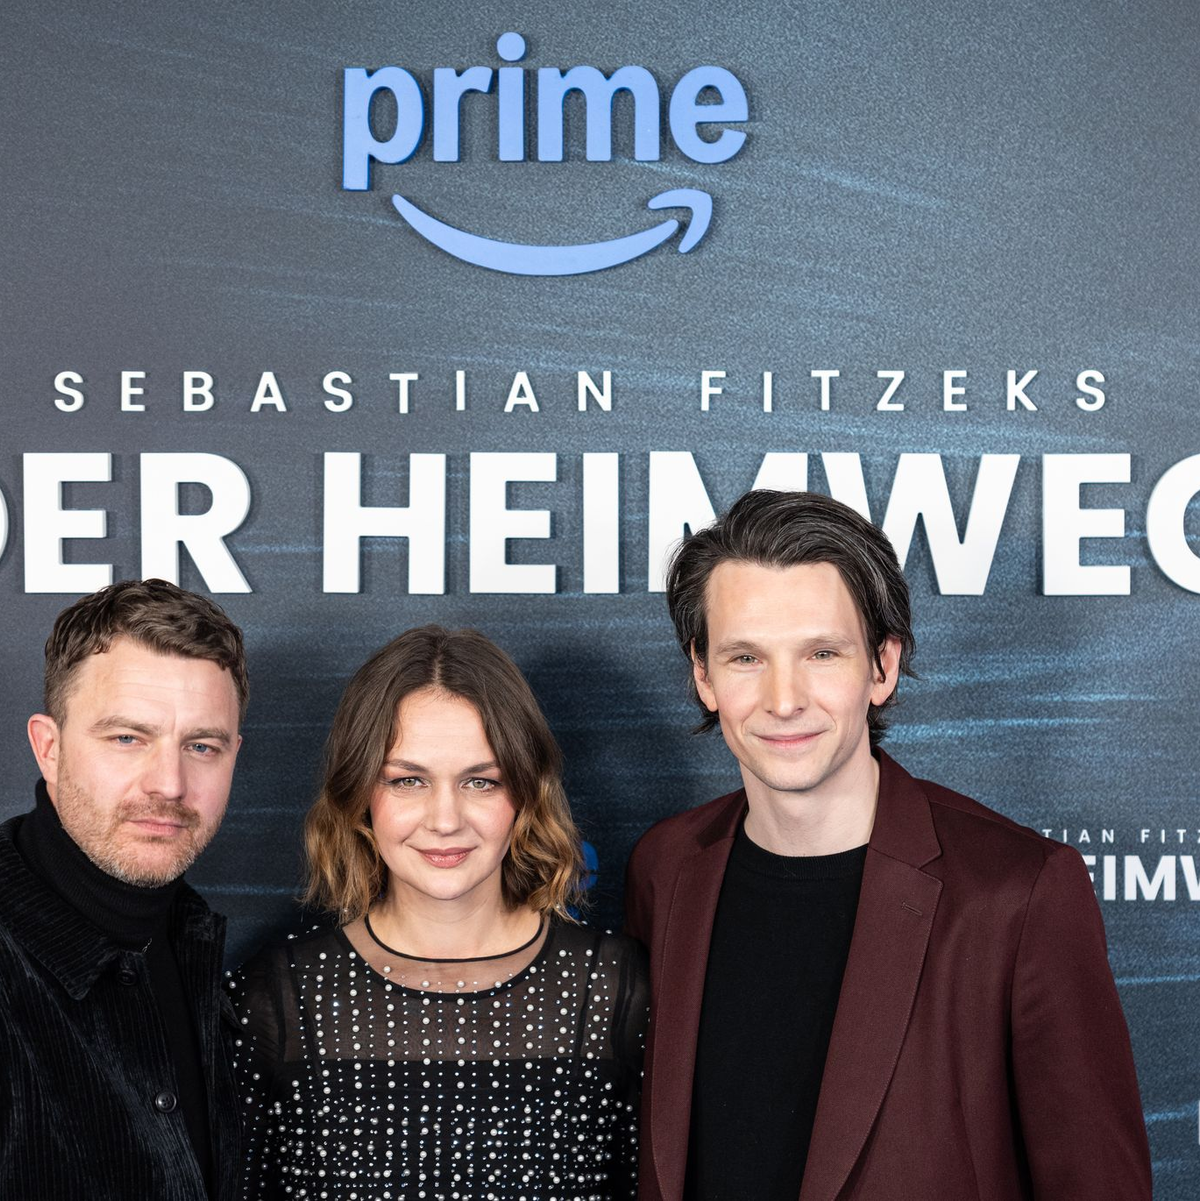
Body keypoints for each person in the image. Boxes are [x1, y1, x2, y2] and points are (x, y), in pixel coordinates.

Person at [624, 489, 1151, 1201]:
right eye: (746, 656)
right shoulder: (666, 868)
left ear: (882, 666)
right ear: (703, 675)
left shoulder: (1018, 892)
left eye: (821, 652)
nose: (784, 698)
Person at [227, 625, 648, 1200]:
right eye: (408, 781)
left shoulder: (615, 986)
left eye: (480, 781)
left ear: (525, 793)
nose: (445, 819)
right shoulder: (278, 992)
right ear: (360, 796)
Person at [0, 578, 249, 1200]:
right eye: (127, 738)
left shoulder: (187, 937)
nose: (168, 782)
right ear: (48, 748)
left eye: (201, 745)